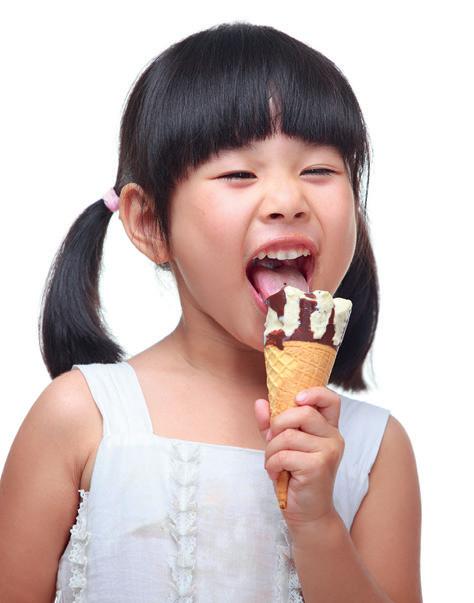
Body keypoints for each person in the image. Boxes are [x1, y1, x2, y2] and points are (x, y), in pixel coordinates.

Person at [0, 21, 422, 603]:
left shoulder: (376, 450)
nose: (288, 200)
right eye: (239, 174)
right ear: (150, 223)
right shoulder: (80, 416)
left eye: (320, 170)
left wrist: (319, 524)